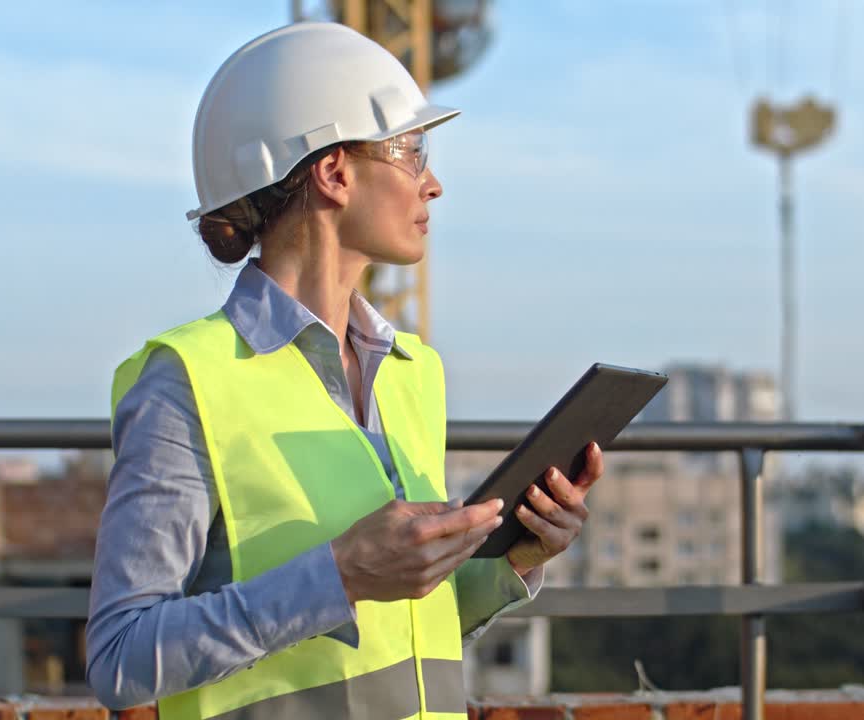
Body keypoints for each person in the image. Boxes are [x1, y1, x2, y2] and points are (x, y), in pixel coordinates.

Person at [85, 22, 603, 720]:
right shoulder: (187, 381)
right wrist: (338, 575)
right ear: (334, 172)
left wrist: (516, 559)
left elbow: (406, 628)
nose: (434, 183)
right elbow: (121, 657)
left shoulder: (414, 373)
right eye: (414, 152)